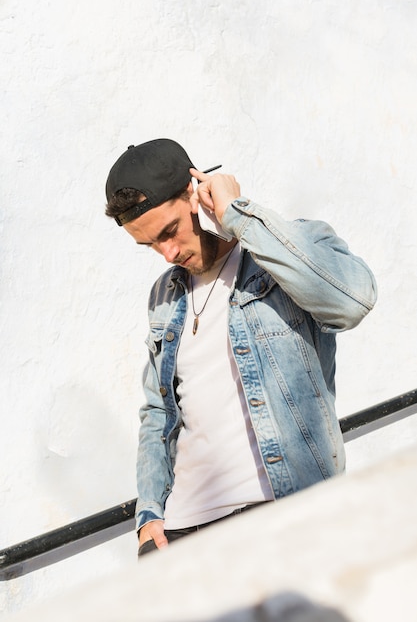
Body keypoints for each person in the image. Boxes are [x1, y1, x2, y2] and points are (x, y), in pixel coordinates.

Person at [105, 138, 377, 556]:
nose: (167, 253)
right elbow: (158, 412)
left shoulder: (283, 252)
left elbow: (353, 301)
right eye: (151, 245)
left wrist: (237, 215)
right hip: (182, 536)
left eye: (169, 232)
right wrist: (150, 515)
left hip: (281, 516)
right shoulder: (165, 296)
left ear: (195, 194)